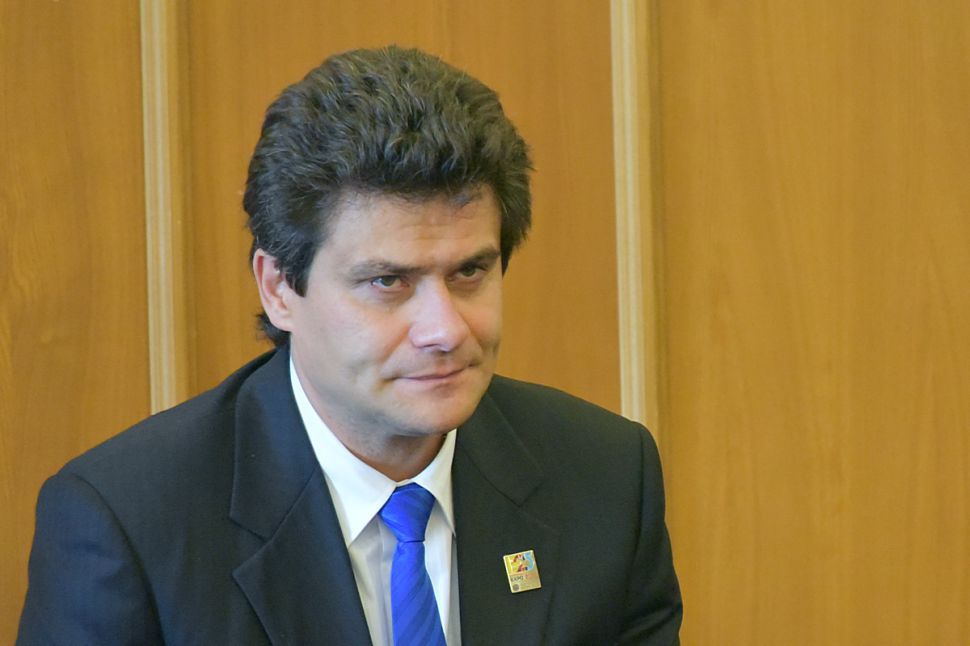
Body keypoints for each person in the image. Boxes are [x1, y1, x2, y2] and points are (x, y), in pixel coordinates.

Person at [18, 46, 681, 645]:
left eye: (469, 273)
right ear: (279, 287)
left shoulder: (603, 479)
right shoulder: (128, 522)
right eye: (388, 282)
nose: (446, 330)